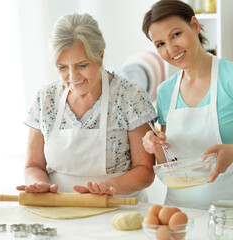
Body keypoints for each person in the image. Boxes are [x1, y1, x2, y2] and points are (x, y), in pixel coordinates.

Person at [141, 0, 233, 216]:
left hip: (232, 216)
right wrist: (155, 147)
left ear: (195, 25)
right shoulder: (166, 91)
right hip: (179, 215)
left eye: (176, 34)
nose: (171, 49)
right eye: (160, 44)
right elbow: (170, 163)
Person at [16, 13, 157, 202]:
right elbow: (33, 165)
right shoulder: (46, 98)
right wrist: (39, 184)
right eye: (62, 67)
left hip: (117, 208)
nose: (73, 77)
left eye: (82, 65)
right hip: (61, 207)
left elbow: (145, 171)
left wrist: (109, 187)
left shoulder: (130, 97)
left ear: (100, 55)